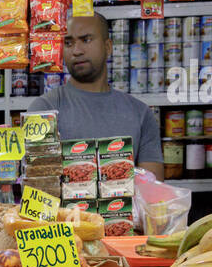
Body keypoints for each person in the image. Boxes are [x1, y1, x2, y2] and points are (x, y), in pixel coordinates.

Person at [28, 14, 163, 179]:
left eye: (86, 40)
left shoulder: (140, 114)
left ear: (108, 47)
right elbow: (36, 182)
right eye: (68, 43)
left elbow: (153, 187)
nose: (76, 51)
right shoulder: (43, 110)